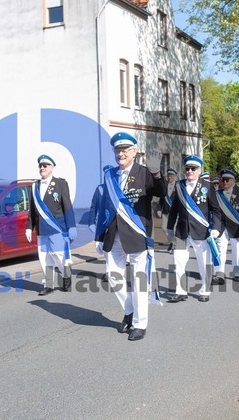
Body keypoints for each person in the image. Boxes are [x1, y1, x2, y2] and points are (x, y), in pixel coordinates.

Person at [94, 132, 165, 341]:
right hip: (113, 234)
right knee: (113, 275)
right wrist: (99, 235)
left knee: (139, 279)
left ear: (134, 152)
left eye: (125, 150)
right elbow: (105, 206)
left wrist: (156, 173)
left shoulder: (144, 173)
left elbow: (161, 193)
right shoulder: (110, 175)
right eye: (118, 150)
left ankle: (140, 324)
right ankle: (129, 310)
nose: (121, 153)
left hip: (136, 233)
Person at [166, 155, 222, 303]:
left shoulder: (207, 186)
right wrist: (170, 228)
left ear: (199, 170)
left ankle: (205, 290)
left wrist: (216, 228)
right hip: (182, 231)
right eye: (187, 169)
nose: (189, 171)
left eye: (193, 168)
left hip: (201, 231)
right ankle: (180, 291)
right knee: (178, 261)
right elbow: (174, 209)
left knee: (204, 262)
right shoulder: (179, 186)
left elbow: (216, 210)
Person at [26, 155, 77, 295]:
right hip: (41, 228)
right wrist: (29, 227)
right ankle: (48, 284)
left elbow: (67, 206)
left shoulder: (60, 184)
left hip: (56, 227)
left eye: (45, 165)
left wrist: (71, 226)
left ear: (51, 168)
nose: (42, 168)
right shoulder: (35, 186)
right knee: (44, 257)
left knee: (58, 254)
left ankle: (66, 274)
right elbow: (32, 209)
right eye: (40, 166)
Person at [213, 168, 239, 284]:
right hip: (221, 227)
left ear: (233, 181)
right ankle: (220, 273)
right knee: (220, 250)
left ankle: (237, 272)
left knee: (236, 250)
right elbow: (214, 211)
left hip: (236, 227)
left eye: (227, 180)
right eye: (223, 180)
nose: (224, 182)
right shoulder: (217, 194)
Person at [159, 168, 178, 253]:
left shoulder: (178, 186)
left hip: (174, 212)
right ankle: (172, 242)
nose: (169, 177)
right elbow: (161, 197)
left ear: (175, 176)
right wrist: (160, 208)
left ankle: (175, 245)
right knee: (164, 227)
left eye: (171, 176)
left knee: (173, 229)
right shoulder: (165, 185)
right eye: (168, 176)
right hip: (165, 210)